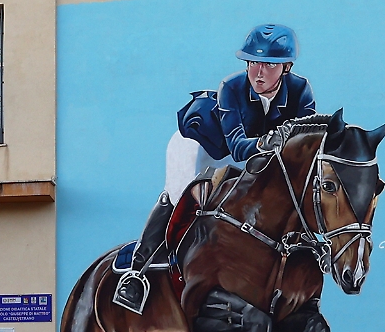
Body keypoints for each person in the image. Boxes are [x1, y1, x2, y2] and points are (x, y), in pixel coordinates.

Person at [112, 23, 316, 314]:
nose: (258, 72)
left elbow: (303, 150)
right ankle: (137, 273)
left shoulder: (301, 90)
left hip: (249, 154)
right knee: (179, 196)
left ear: (286, 67)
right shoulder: (231, 87)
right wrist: (269, 142)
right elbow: (238, 147)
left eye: (269, 65)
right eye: (253, 63)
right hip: (200, 145)